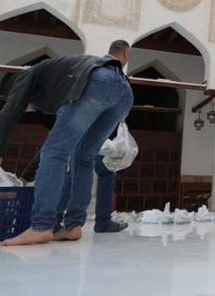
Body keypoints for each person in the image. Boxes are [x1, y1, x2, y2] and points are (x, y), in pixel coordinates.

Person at [0, 41, 134, 246]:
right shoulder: (55, 90)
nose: (27, 111)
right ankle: (73, 226)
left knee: (54, 154)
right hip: (125, 93)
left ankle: (42, 225)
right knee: (83, 157)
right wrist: (27, 175)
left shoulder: (24, 78)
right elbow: (56, 139)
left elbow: (8, 114)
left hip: (96, 82)